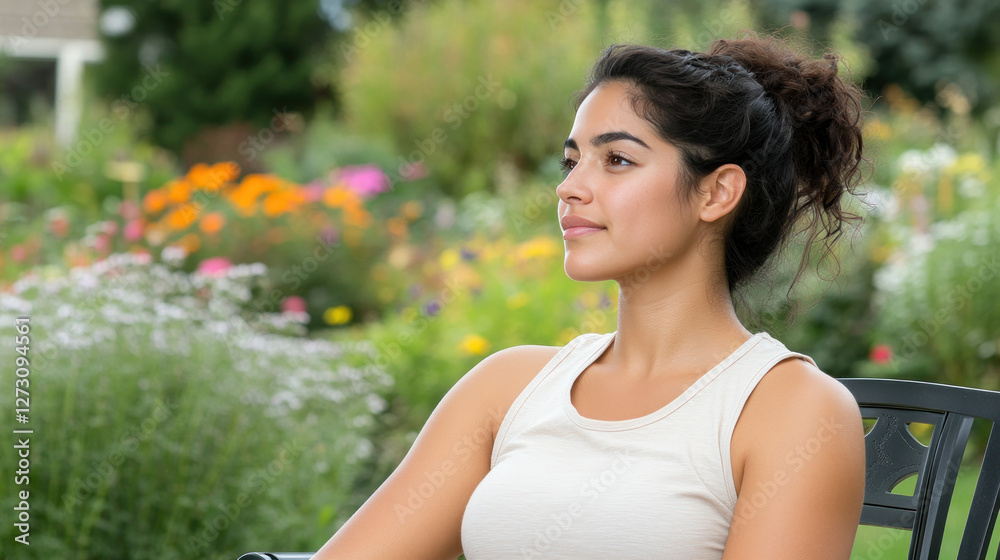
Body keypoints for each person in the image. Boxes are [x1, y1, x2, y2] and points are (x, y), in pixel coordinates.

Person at [314, 33, 867, 560]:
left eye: (617, 160)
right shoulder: (506, 389)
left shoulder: (789, 411)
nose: (569, 186)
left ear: (716, 192)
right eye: (572, 160)